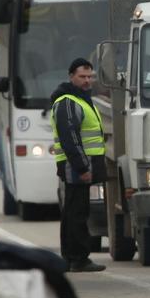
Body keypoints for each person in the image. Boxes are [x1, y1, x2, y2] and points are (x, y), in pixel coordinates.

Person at [49, 58, 107, 273]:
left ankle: (71, 258)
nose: (87, 81)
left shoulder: (80, 99)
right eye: (82, 76)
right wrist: (83, 168)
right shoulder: (68, 102)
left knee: (74, 212)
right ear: (71, 76)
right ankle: (78, 258)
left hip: (79, 165)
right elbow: (70, 138)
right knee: (77, 213)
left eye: (89, 76)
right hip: (76, 166)